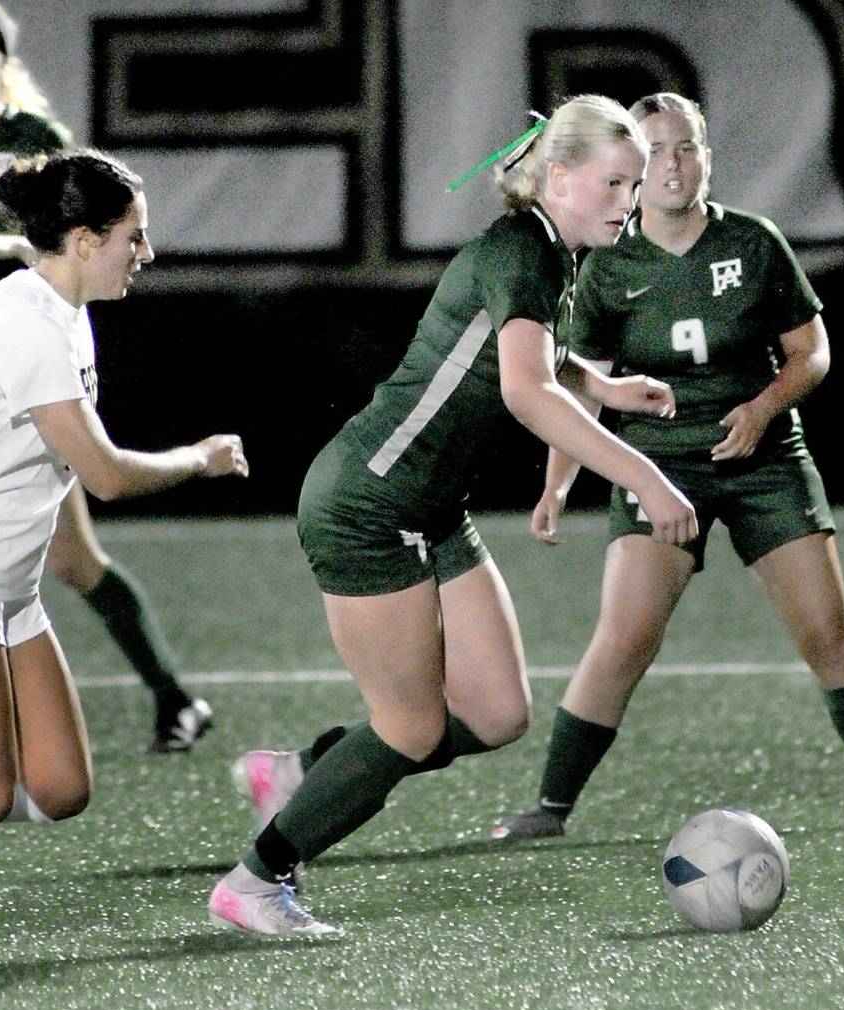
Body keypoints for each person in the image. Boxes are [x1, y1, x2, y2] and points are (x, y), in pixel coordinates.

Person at [206, 94, 698, 936]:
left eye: (638, 182)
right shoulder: (524, 249)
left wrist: (604, 386)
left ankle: (304, 771)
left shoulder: (553, 252)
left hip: (428, 507)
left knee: (499, 712)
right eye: (616, 181)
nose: (631, 198)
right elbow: (524, 387)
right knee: (410, 725)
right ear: (560, 175)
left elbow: (533, 356)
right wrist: (645, 476)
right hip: (369, 504)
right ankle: (256, 881)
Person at [491, 92, 844, 842]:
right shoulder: (607, 261)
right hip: (659, 465)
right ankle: (551, 804)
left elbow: (814, 353)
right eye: (656, 151)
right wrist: (557, 483)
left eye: (685, 148)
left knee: (830, 634)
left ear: (706, 155)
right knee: (625, 637)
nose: (672, 165)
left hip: (766, 460)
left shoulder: (757, 243)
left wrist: (763, 407)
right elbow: (583, 387)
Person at [0, 147, 248, 895]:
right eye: (134, 237)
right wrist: (199, 458)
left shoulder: (62, 307)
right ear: (85, 240)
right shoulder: (29, 325)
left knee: (59, 786)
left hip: (6, 583)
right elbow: (107, 476)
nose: (145, 253)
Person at [0, 1, 212, 753]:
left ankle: (174, 697)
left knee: (72, 556)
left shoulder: (36, 145)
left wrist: (2, 245)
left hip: (25, 379)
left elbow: (65, 248)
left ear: (4, 62)